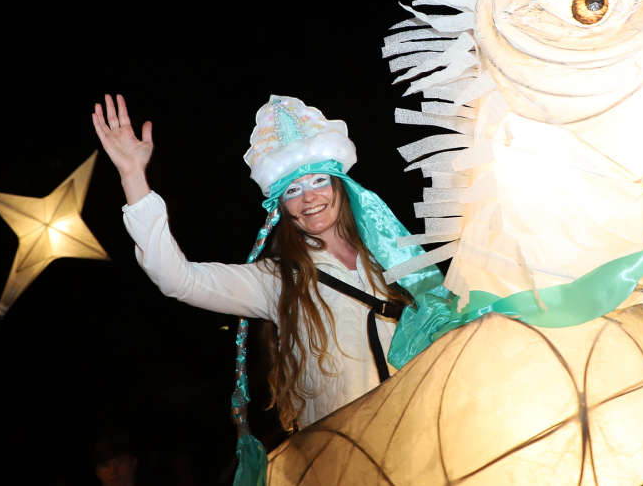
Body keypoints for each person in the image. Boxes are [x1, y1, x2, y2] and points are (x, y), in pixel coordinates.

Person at [91, 93, 432, 432]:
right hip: (347, 454)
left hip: (421, 437)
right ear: (280, 205)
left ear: (341, 186)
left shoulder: (393, 255)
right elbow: (179, 279)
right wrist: (132, 175)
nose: (309, 198)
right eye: (292, 190)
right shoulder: (277, 278)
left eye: (318, 181)